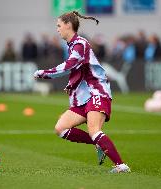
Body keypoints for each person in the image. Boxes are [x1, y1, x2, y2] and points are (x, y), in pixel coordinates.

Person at [34, 11, 130, 173]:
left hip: (97, 92)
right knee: (61, 128)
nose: (57, 29)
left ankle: (121, 166)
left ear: (68, 25)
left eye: (59, 25)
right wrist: (72, 84)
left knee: (94, 130)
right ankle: (98, 143)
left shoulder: (80, 43)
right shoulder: (73, 45)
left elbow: (69, 65)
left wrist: (44, 73)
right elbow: (80, 69)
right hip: (85, 97)